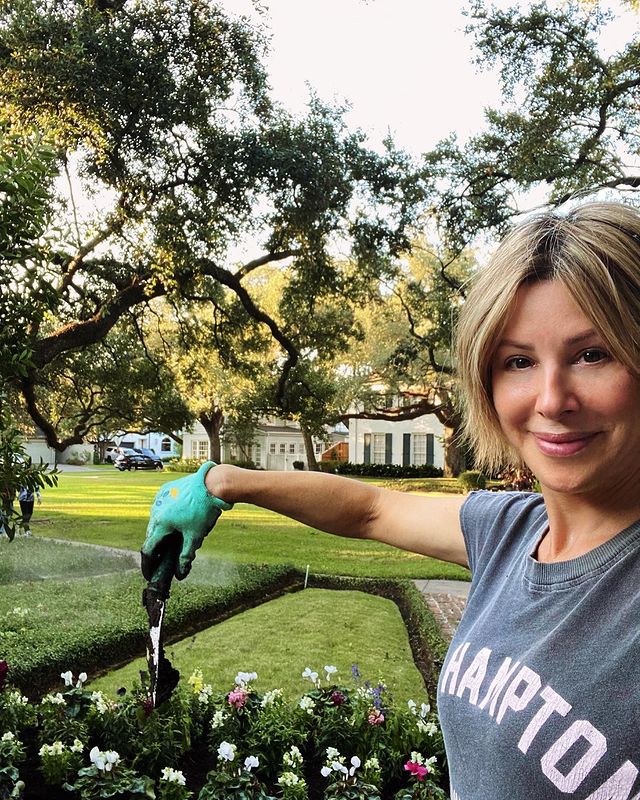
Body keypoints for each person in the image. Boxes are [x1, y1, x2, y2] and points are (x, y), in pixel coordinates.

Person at [142, 201, 640, 799]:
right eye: (519, 362)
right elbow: (369, 509)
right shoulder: (508, 532)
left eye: (593, 354)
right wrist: (220, 482)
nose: (551, 399)